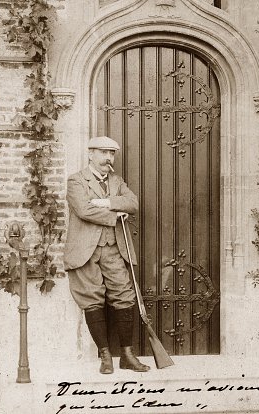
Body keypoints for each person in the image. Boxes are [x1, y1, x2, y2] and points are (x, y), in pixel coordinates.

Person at [63, 136, 150, 374]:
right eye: (103, 153)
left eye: (112, 154)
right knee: (92, 300)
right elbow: (83, 209)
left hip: (113, 248)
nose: (108, 158)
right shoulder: (76, 180)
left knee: (124, 297)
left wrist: (104, 201)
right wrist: (114, 214)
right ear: (90, 154)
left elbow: (132, 203)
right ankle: (104, 356)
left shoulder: (117, 181)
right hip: (84, 251)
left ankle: (127, 355)